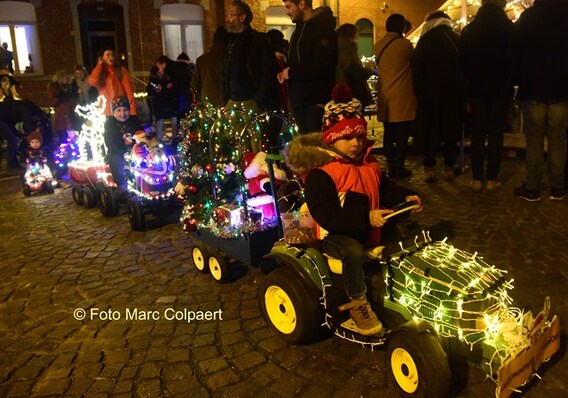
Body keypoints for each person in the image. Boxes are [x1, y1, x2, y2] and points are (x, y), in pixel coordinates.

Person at [284, 83, 423, 336]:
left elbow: (385, 189)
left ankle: (402, 285)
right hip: (334, 233)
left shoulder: (368, 163)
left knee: (406, 231)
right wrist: (365, 217)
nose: (356, 143)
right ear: (332, 139)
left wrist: (407, 196)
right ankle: (358, 302)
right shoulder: (321, 173)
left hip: (369, 226)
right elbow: (326, 214)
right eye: (347, 137)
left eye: (359, 136)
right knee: (352, 250)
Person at [512, 0, 568, 201]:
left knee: (534, 140)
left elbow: (515, 51)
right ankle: (558, 186)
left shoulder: (529, 17)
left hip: (533, 87)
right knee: (558, 140)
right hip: (561, 90)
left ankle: (532, 187)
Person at [459, 0, 514, 192]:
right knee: (496, 134)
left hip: (476, 90)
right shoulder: (509, 29)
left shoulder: (469, 30)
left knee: (478, 133)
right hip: (501, 90)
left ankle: (476, 178)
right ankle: (491, 178)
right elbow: (513, 61)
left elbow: (462, 64)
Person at [412, 11, 464, 183]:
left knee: (429, 130)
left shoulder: (425, 40)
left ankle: (429, 167)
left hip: (428, 95)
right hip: (452, 94)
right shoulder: (455, 38)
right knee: (451, 130)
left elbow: (416, 69)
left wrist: (419, 92)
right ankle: (449, 166)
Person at [224, 0, 280, 151]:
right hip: (234, 100)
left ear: (242, 18)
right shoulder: (231, 41)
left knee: (258, 145)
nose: (228, 18)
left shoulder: (257, 40)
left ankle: (259, 173)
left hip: (250, 100)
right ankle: (246, 170)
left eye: (231, 15)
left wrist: (259, 98)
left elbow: (268, 70)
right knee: (240, 143)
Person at [279, 0, 338, 134]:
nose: (287, 12)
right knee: (305, 147)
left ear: (302, 4)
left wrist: (291, 72)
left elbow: (322, 65)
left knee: (315, 148)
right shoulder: (298, 31)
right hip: (299, 100)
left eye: (289, 7)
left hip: (315, 100)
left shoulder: (322, 30)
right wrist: (285, 72)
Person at [374, 14, 416, 179]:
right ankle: (400, 167)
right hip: (402, 96)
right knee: (402, 135)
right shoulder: (405, 45)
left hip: (385, 96)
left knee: (388, 134)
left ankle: (391, 167)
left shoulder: (378, 45)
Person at [104, 96, 143, 198]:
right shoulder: (110, 124)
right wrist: (123, 152)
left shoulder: (134, 120)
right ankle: (121, 184)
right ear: (114, 112)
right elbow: (110, 141)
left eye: (125, 110)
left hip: (135, 148)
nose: (123, 113)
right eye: (119, 110)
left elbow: (141, 133)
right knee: (115, 160)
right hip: (118, 150)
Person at [88, 48, 137, 117]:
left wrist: (132, 111)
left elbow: (129, 91)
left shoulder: (120, 71)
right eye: (108, 55)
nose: (111, 57)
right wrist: (99, 65)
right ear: (101, 58)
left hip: (120, 110)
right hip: (105, 111)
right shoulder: (100, 72)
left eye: (112, 55)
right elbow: (92, 81)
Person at [335, 23, 373, 109]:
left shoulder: (337, 48)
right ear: (350, 34)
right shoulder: (347, 49)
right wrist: (369, 68)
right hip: (351, 95)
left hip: (341, 93)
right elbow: (357, 73)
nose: (357, 38)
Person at [191, 26, 230, 108]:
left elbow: (194, 85)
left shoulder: (202, 60)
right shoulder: (230, 59)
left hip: (207, 103)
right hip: (229, 105)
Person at [151, 58, 180, 145]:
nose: (163, 66)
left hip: (169, 101)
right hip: (159, 101)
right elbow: (151, 87)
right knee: (160, 121)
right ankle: (159, 140)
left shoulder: (169, 75)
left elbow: (175, 86)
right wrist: (157, 87)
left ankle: (174, 138)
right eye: (162, 64)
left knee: (174, 120)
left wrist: (171, 85)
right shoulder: (154, 76)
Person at [47, 70, 75, 146]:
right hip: (61, 115)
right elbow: (51, 102)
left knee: (72, 137)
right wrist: (59, 97)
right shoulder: (54, 88)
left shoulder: (71, 87)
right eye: (64, 77)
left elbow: (73, 101)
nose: (66, 79)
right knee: (63, 137)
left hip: (71, 115)